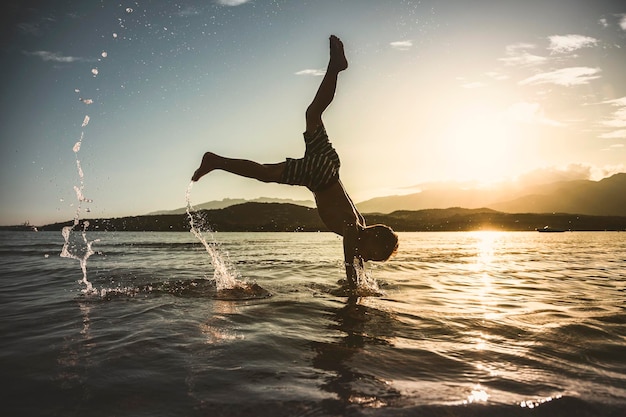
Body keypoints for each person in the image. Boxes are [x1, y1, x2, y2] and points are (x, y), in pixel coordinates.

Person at [192, 35, 398, 289]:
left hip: (329, 166)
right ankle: (216, 160)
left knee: (313, 113)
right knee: (265, 173)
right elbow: (350, 255)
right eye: (373, 254)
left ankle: (335, 68)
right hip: (319, 176)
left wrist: (358, 271)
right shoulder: (354, 229)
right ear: (372, 238)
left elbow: (356, 251)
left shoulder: (360, 226)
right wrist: (352, 283)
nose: (367, 258)